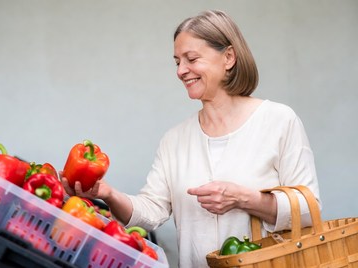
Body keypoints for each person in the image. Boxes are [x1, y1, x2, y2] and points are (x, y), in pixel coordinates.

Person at [62, 9, 320, 268]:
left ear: (228, 57)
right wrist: (108, 194)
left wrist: (244, 198)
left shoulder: (278, 121)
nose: (181, 71)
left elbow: (309, 210)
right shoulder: (174, 140)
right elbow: (151, 212)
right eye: (177, 62)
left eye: (192, 59)